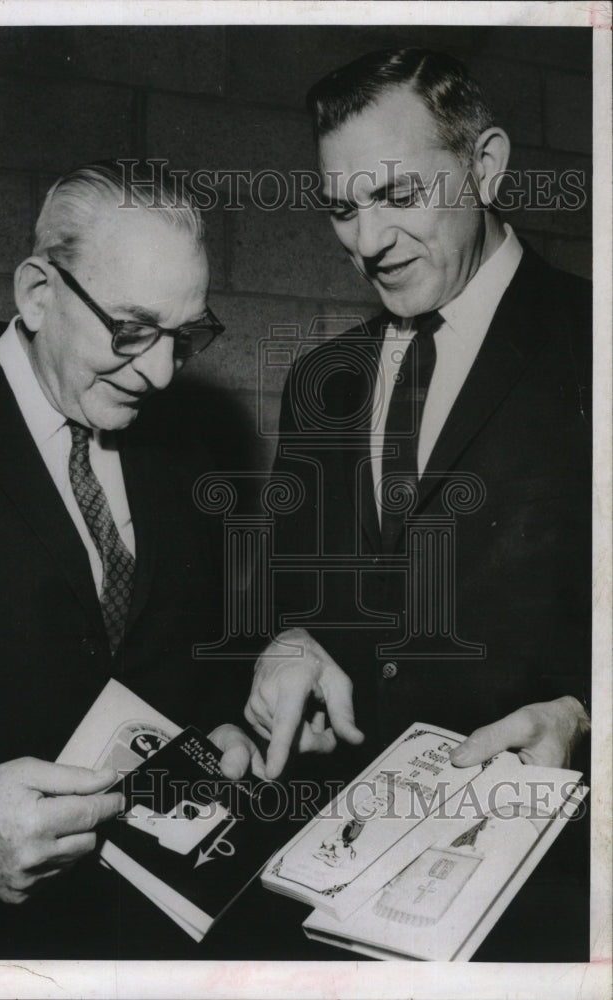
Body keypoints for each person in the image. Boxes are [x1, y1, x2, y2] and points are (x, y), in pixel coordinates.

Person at [0, 160, 261, 959]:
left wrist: (228, 721)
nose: (158, 371)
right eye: (132, 328)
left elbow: (195, 659)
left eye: (185, 337)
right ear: (38, 293)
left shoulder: (187, 455)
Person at [244, 49, 592, 784]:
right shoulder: (320, 382)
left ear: (486, 165)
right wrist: (285, 647)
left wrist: (581, 718)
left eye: (399, 195)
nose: (368, 243)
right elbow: (285, 605)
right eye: (344, 208)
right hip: (341, 844)